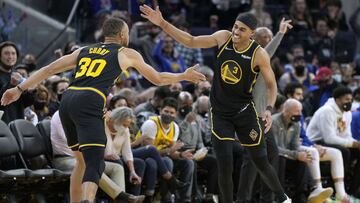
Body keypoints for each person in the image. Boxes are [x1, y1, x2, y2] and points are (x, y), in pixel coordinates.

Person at [0, 17, 205, 203]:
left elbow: (48, 69)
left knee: (80, 161)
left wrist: (19, 89)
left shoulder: (84, 50)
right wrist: (183, 76)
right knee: (95, 162)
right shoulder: (126, 52)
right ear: (123, 34)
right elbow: (158, 79)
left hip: (68, 100)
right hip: (90, 98)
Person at [140, 6, 290, 202]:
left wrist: (269, 110)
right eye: (235, 27)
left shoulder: (258, 54)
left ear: (251, 34)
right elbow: (191, 41)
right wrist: (162, 23)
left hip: (245, 111)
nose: (236, 32)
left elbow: (272, 86)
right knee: (224, 166)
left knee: (260, 160)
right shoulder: (223, 37)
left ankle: (282, 197)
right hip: (220, 113)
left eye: (242, 30)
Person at [237, 18, 292, 203]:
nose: (269, 40)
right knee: (251, 162)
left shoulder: (264, 62)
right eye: (265, 37)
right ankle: (243, 200)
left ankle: (267, 199)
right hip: (250, 118)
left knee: (272, 155)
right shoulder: (251, 55)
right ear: (254, 38)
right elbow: (270, 50)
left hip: (262, 119)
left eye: (270, 37)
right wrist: (280, 33)